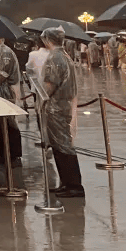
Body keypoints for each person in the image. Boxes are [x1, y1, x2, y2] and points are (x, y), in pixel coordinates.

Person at [41, 27, 84, 198]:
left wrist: (41, 95)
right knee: (60, 145)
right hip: (63, 105)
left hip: (56, 107)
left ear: (47, 40)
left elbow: (49, 85)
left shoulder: (55, 57)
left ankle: (73, 184)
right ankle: (66, 182)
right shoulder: (65, 55)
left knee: (63, 146)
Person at [0, 37, 23, 164]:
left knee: (8, 124)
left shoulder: (5, 53)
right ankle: (3, 154)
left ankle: (13, 156)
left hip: (6, 93)